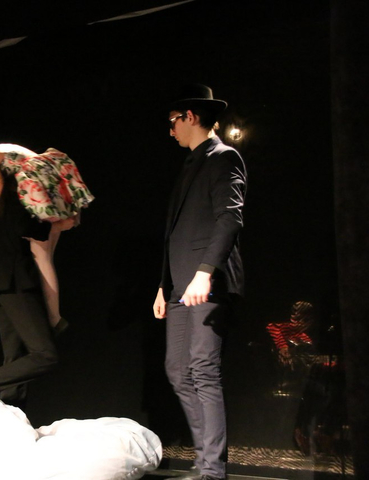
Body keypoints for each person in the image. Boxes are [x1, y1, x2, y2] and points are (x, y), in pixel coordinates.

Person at [0, 145, 86, 437]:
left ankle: (9, 434)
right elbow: (31, 235)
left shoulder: (12, 197)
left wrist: (58, 224)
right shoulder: (16, 196)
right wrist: (59, 224)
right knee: (45, 355)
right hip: (13, 282)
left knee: (16, 363)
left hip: (5, 284)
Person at [152, 84, 247, 480]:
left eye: (173, 121)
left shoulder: (224, 157)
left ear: (190, 116)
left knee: (203, 370)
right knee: (178, 370)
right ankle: (204, 460)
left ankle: (212, 469)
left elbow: (230, 219)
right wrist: (163, 284)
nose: (170, 129)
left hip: (208, 281)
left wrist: (205, 272)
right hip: (178, 286)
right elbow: (174, 232)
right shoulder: (190, 164)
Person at [0, 142, 94, 335]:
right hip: (54, 185)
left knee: (42, 257)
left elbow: (1, 191)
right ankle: (53, 315)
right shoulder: (2, 147)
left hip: (40, 191)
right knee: (46, 258)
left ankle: (54, 318)